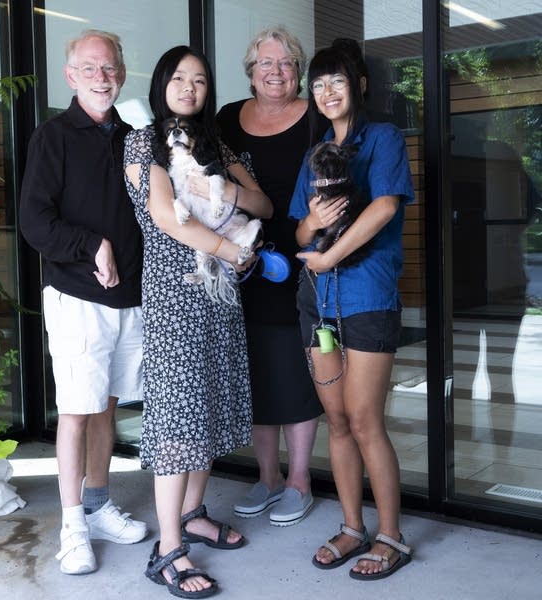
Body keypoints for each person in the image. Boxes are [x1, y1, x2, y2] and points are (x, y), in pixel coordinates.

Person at [123, 46, 272, 598]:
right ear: (162, 83)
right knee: (179, 417)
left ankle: (192, 514)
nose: (189, 87)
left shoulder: (220, 146)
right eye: (180, 78)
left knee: (208, 408)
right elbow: (165, 217)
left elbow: (265, 207)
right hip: (174, 293)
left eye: (201, 80)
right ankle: (167, 551)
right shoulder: (142, 143)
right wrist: (229, 252)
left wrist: (228, 191)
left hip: (220, 298)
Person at [19, 29, 147, 575]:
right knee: (75, 410)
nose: (102, 77)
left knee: (108, 404)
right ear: (71, 76)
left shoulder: (135, 134)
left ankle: (97, 504)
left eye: (110, 67)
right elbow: (33, 222)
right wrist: (91, 245)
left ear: (121, 71)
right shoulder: (52, 136)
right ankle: (72, 526)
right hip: (76, 296)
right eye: (90, 69)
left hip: (130, 298)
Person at [289, 38, 414, 580]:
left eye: (336, 81)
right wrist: (314, 226)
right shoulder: (314, 151)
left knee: (365, 421)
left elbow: (384, 206)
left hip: (366, 297)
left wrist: (328, 256)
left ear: (358, 84)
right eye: (318, 85)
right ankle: (350, 525)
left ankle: (391, 536)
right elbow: (298, 226)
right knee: (335, 420)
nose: (327, 92)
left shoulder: (383, 138)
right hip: (319, 304)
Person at [216, 26, 328, 527]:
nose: (275, 71)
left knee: (295, 372)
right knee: (257, 371)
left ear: (298, 71)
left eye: (286, 63)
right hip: (243, 261)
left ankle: (300, 480)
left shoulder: (316, 117)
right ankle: (267, 477)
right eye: (266, 63)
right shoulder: (225, 121)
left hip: (302, 259)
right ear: (250, 71)